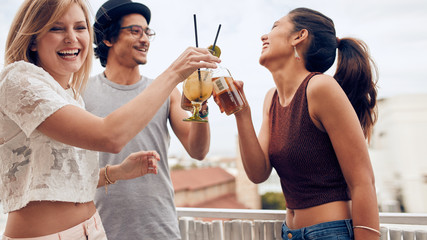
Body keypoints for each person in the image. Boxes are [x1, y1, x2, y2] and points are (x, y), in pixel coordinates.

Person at [0, 0, 219, 239]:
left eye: (80, 27)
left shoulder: (70, 95)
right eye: (57, 28)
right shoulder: (19, 80)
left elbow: (61, 179)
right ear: (32, 38)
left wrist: (116, 172)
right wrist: (175, 73)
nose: (72, 37)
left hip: (98, 230)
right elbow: (108, 136)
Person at [226, 7, 380, 240]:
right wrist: (242, 114)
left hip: (331, 232)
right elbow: (258, 173)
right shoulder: (271, 98)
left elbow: (363, 181)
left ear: (299, 36)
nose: (263, 36)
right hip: (290, 233)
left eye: (275, 26)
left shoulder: (320, 87)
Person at [82, 0, 213, 239]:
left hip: (160, 229)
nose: (145, 39)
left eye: (147, 32)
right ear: (107, 39)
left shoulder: (167, 93)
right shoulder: (81, 93)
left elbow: (198, 151)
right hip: (100, 230)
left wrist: (201, 110)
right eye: (135, 31)